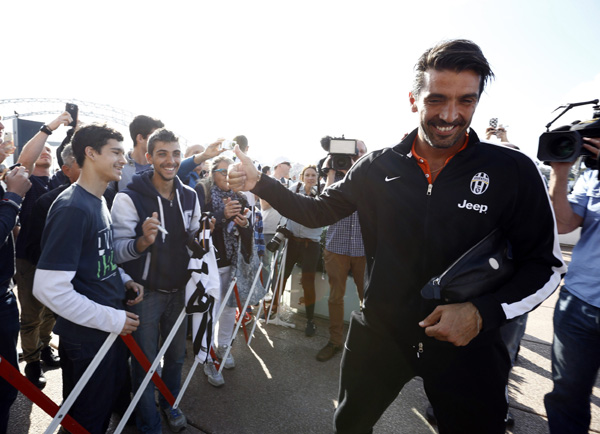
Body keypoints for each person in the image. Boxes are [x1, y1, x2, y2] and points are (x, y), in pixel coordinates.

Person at [227, 39, 566, 434]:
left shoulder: (513, 169)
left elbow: (546, 266)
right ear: (413, 99)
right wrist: (261, 183)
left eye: (466, 102)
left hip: (468, 343)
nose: (451, 115)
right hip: (381, 333)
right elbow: (317, 211)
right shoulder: (376, 166)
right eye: (437, 99)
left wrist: (482, 313)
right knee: (350, 425)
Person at [32, 124, 143, 433]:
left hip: (103, 333)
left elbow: (96, 258)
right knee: (86, 422)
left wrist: (122, 280)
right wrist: (113, 319)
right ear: (91, 154)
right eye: (116, 153)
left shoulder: (98, 200)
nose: (123, 160)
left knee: (98, 413)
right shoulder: (73, 207)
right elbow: (48, 288)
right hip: (89, 340)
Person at [111, 128, 200, 433]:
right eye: (162, 153)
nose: (170, 160)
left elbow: (193, 241)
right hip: (145, 294)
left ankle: (170, 404)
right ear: (149, 158)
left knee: (175, 359)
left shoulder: (190, 195)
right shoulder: (128, 197)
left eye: (176, 153)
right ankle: (150, 424)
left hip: (180, 292)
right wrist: (141, 243)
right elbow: (117, 253)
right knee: (144, 365)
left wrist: (203, 237)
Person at [544, 136, 600, 434]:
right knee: (567, 393)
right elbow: (564, 224)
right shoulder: (592, 174)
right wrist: (560, 172)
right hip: (579, 301)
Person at [14, 112, 72, 389]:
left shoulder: (61, 182)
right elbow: (24, 158)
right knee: (30, 316)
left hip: (57, 260)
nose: (46, 152)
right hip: (30, 259)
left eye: (50, 150)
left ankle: (45, 347)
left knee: (51, 311)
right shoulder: (24, 183)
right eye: (42, 149)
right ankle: (33, 361)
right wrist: (50, 129)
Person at [195, 156, 253, 387]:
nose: (230, 177)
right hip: (209, 262)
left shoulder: (240, 196)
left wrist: (244, 224)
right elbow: (195, 226)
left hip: (232, 262)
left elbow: (247, 233)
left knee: (229, 309)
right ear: (212, 172)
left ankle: (224, 347)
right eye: (224, 172)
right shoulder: (203, 193)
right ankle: (207, 356)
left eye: (233, 172)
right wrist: (222, 216)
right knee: (209, 311)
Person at [316, 140, 367, 362]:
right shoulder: (333, 179)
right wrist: (332, 172)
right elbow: (324, 204)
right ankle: (335, 342)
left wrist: (355, 170)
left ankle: (368, 343)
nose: (356, 156)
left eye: (360, 153)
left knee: (369, 298)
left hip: (364, 248)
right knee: (335, 297)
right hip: (336, 246)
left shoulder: (371, 177)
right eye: (354, 153)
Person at [0, 119, 32, 433]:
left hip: (4, 293)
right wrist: (13, 198)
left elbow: (28, 160)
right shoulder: (8, 189)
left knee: (8, 383)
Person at [276, 165, 324, 336]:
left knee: (308, 281)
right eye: (308, 175)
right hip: (293, 240)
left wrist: (313, 195)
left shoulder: (323, 193)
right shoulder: (294, 189)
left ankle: (310, 320)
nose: (310, 178)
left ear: (318, 177)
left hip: (311, 243)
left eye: (313, 175)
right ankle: (273, 310)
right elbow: (284, 207)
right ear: (302, 177)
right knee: (282, 275)